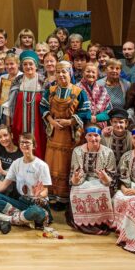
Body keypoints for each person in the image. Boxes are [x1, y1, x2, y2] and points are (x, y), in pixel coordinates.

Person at [41, 62, 92, 208]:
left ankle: (64, 198)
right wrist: (51, 121)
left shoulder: (79, 92)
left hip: (70, 135)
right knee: (51, 164)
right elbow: (43, 107)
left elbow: (86, 112)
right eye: (58, 72)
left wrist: (69, 121)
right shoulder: (51, 90)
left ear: (70, 73)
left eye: (64, 71)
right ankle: (51, 195)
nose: (61, 75)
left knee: (65, 165)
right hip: (54, 134)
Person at [0, 133, 52, 229]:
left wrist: (38, 195)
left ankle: (9, 219)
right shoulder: (16, 163)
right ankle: (24, 219)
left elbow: (45, 191)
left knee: (35, 211)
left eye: (27, 142)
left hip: (37, 204)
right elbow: (4, 185)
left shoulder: (42, 166)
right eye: (22, 142)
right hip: (22, 202)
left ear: (34, 146)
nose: (24, 145)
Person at [66, 126, 117, 235]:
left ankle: (102, 223)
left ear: (100, 137)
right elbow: (75, 174)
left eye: (96, 135)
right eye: (90, 135)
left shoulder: (108, 152)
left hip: (101, 182)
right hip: (83, 181)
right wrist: (75, 180)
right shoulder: (77, 151)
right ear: (85, 137)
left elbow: (111, 177)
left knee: (103, 192)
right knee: (77, 191)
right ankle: (83, 224)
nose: (93, 138)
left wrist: (105, 179)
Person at [3, 50, 47, 158]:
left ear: (36, 65)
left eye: (31, 64)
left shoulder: (43, 82)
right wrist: (8, 124)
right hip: (19, 123)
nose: (28, 67)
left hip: (39, 124)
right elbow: (8, 104)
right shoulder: (16, 81)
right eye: (25, 64)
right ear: (22, 66)